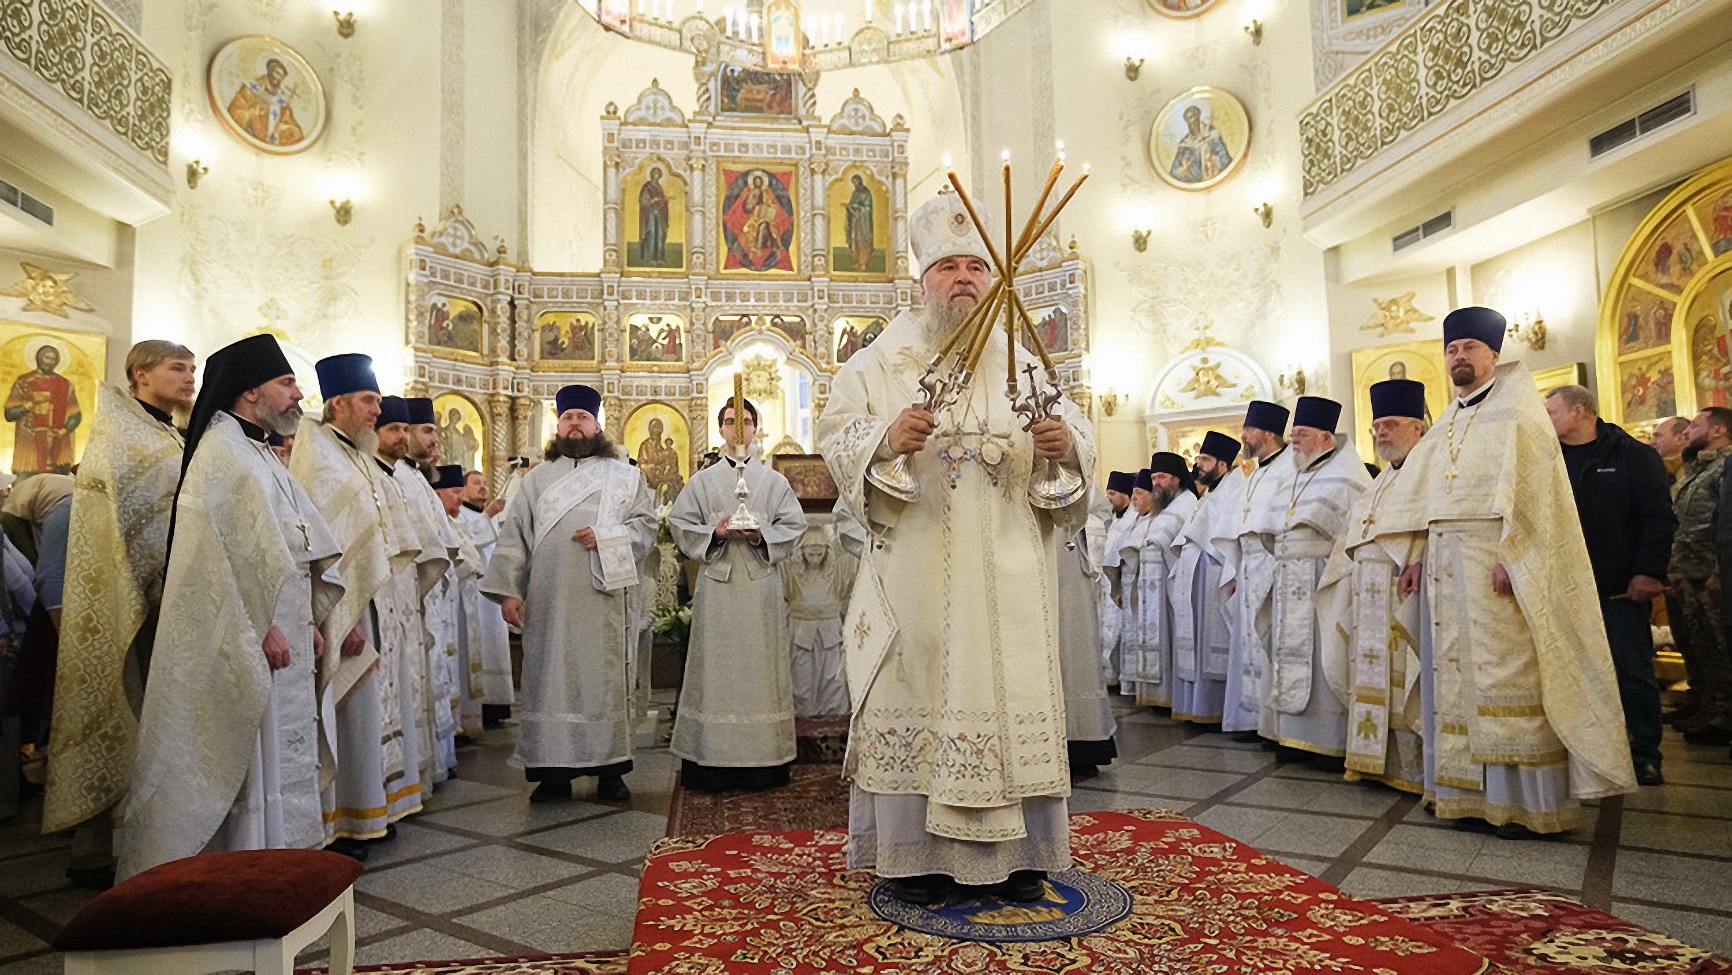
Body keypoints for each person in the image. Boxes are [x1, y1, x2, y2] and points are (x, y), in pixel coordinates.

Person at [816, 191, 1093, 906]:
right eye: (949, 267)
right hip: (916, 572)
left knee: (1011, 698)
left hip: (1008, 576)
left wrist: (1063, 448)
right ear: (923, 279)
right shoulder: (878, 363)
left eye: (977, 265)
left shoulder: (1021, 360)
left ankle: (1023, 853)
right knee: (917, 695)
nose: (965, 278)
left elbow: (1072, 440)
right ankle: (911, 857)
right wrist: (885, 440)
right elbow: (837, 432)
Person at [1376, 307, 1635, 837]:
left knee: (1505, 677)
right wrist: (1418, 557)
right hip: (1446, 565)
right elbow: (1425, 497)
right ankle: (1459, 794)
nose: (1459, 357)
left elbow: (1538, 500)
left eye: (1469, 347)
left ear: (1494, 354)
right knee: (1454, 677)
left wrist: (1513, 558)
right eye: (1451, 349)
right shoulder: (1449, 418)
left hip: (1496, 563)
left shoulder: (1520, 413)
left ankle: (1520, 805)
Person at [119, 334, 342, 879]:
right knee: (251, 757)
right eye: (287, 383)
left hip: (283, 630)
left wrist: (308, 616)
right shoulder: (223, 454)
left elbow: (294, 545)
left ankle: (281, 862)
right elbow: (208, 564)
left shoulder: (255, 450)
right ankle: (245, 870)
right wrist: (257, 627)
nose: (297, 395)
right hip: (252, 636)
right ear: (250, 392)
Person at [44, 341, 194, 888]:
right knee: (125, 705)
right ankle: (108, 849)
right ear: (140, 374)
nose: (188, 378)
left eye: (192, 368)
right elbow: (131, 526)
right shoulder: (121, 435)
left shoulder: (168, 433)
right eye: (177, 368)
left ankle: (154, 836)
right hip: (131, 600)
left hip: (169, 597)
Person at [484, 385, 656, 803]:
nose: (575, 423)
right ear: (557, 426)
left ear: (597, 425)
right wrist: (508, 592)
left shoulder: (625, 476)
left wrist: (609, 535)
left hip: (603, 603)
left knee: (603, 680)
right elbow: (513, 537)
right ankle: (551, 772)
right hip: (549, 603)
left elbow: (646, 528)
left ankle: (610, 769)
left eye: (582, 416)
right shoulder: (535, 481)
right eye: (567, 418)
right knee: (549, 681)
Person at [288, 359, 421, 851]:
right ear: (338, 403)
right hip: (342, 607)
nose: (377, 410)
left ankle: (368, 809)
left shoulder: (358, 456)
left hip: (372, 605)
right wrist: (335, 618)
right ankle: (341, 823)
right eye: (369, 401)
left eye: (378, 401)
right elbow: (319, 548)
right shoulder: (317, 455)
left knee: (365, 715)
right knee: (345, 712)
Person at [670, 397, 807, 792]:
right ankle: (711, 762)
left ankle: (764, 763)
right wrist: (715, 532)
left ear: (756, 426)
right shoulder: (702, 481)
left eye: (746, 421)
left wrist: (761, 534)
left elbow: (794, 527)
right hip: (718, 588)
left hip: (760, 586)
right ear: (721, 429)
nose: (739, 429)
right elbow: (681, 524)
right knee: (716, 672)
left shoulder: (774, 481)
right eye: (731, 422)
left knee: (760, 671)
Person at [1545, 384, 1674, 785]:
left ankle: (1645, 752)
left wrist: (1648, 571)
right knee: (1570, 671)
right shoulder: (1548, 460)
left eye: (1551, 412)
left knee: (1630, 669)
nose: (1544, 420)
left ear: (1581, 411)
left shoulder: (1634, 456)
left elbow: (1657, 518)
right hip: (1564, 587)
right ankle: (1587, 748)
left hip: (1617, 585)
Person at [1319, 379, 1429, 794]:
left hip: (1400, 593)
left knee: (1404, 680)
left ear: (1417, 428)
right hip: (1367, 594)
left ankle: (1412, 770)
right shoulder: (1380, 480)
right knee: (1371, 677)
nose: (1382, 433)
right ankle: (1372, 762)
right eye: (1377, 426)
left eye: (1391, 425)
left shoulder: (1426, 474)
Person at [1258, 396, 1371, 759]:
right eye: (1294, 434)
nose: (1294, 441)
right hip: (1288, 577)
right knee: (1286, 653)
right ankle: (1290, 737)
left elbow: (1354, 537)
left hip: (1324, 583)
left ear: (1325, 437)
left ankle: (1325, 741)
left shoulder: (1348, 478)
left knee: (1323, 659)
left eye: (1302, 434)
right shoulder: (1294, 475)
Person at [1214, 400, 1292, 738]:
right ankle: (1250, 719)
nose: (1244, 435)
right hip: (1248, 567)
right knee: (1249, 641)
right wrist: (1235, 569)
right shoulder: (1253, 471)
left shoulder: (1289, 467)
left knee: (1269, 639)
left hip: (1272, 565)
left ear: (1270, 433)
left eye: (1250, 429)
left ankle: (1271, 721)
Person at [1168, 431, 1241, 725]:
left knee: (1211, 642)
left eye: (1205, 460)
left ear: (1222, 465)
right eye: (1198, 459)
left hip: (1214, 573)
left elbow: (1229, 535)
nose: (1198, 465)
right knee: (1195, 642)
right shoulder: (1210, 493)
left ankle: (1213, 706)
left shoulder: (1235, 490)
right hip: (1196, 573)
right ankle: (1196, 706)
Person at [1669, 408, 1732, 746]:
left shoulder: (1725, 467)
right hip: (1691, 573)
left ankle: (1725, 716)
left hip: (1713, 573)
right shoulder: (1698, 469)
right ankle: (1711, 707)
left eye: (1696, 425)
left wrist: (1720, 571)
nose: (1688, 430)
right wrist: (1676, 570)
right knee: (1702, 647)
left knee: (1723, 649)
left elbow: (1725, 523)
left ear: (1719, 430)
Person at [1119, 455, 1198, 709]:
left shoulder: (1187, 503)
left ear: (1176, 478)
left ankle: (1169, 696)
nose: (1157, 483)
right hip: (1151, 586)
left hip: (1170, 584)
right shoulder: (1161, 508)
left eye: (1161, 477)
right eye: (1153, 478)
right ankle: (1154, 695)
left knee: (1168, 638)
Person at [1058, 486, 1116, 779]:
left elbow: (1102, 513)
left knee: (1074, 646)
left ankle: (1083, 744)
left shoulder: (1074, 460)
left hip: (1069, 563)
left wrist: (1076, 522)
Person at [432, 465, 486, 740]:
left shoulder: (457, 522)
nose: (459, 499)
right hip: (444, 606)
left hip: (461, 602)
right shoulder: (436, 521)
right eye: (454, 493)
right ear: (438, 494)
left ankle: (461, 723)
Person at [459, 471, 514, 726]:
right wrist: (489, 515)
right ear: (462, 488)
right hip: (472, 594)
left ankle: (496, 706)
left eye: (485, 483)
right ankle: (480, 709)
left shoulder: (484, 517)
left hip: (493, 594)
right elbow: (465, 542)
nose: (482, 488)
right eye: (475, 483)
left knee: (494, 644)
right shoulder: (460, 515)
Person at [4, 343, 82, 476]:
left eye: (53, 359)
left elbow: (75, 415)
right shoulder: (24, 381)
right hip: (29, 448)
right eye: (46, 357)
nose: (50, 362)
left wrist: (63, 431)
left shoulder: (65, 384)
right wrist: (31, 403)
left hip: (58, 447)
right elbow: (9, 414)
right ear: (38, 358)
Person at [1098, 470, 1135, 687]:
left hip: (1121, 584)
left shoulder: (1132, 521)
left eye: (1113, 493)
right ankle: (1109, 675)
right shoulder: (1113, 520)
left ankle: (1119, 677)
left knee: (1119, 631)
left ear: (1126, 495)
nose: (1108, 498)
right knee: (1108, 628)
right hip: (1108, 585)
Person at [1650, 415, 1690, 488]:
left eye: (1658, 436)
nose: (1651, 442)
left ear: (1680, 439)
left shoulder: (1696, 469)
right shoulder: (1650, 468)